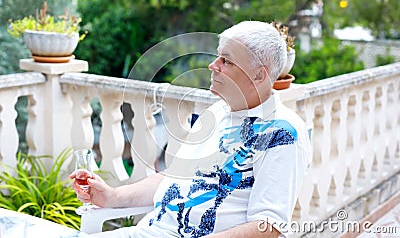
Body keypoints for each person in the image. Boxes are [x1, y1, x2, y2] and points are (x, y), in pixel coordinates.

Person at [71, 21, 312, 238]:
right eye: (218, 57)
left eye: (226, 61)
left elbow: (267, 227)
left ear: (259, 75)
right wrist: (112, 197)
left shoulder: (282, 134)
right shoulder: (218, 113)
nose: (212, 65)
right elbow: (177, 177)